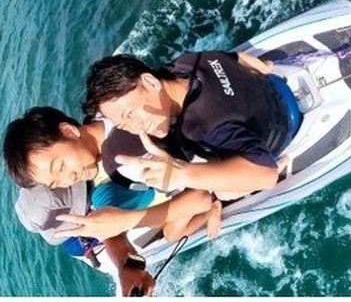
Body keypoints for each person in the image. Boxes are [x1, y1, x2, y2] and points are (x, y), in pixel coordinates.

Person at [3, 107, 222, 287]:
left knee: (173, 233)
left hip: (214, 166)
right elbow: (112, 235)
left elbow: (201, 195)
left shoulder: (122, 162)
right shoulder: (105, 114)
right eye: (56, 183)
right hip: (198, 150)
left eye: (60, 166)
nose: (68, 179)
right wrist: (126, 268)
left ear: (69, 131)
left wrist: (129, 224)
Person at [81, 51, 298, 200]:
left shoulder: (200, 127)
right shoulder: (186, 63)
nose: (134, 128)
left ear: (150, 82)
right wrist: (265, 67)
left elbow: (266, 175)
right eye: (123, 124)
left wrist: (183, 174)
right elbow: (235, 57)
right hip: (271, 85)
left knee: (222, 193)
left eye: (129, 114)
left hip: (280, 130)